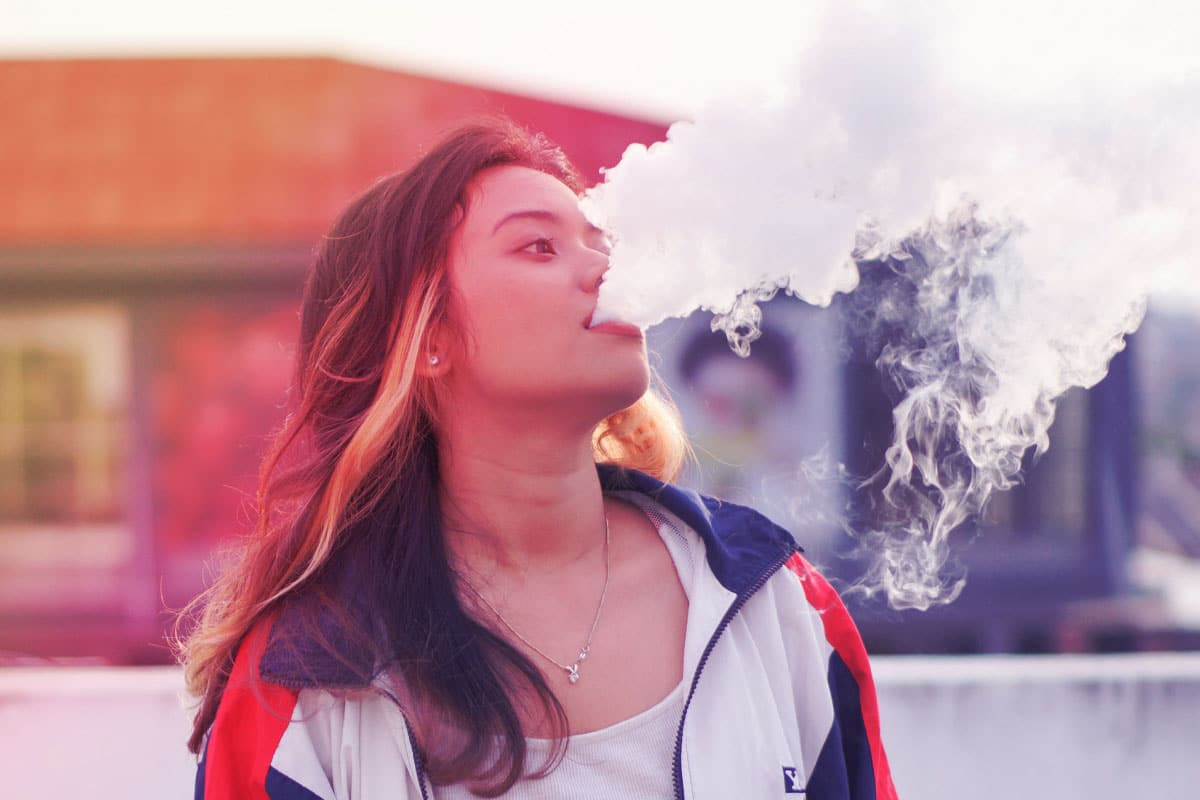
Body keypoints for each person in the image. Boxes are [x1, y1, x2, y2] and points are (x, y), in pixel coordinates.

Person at [178, 118, 898, 799]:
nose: (604, 271)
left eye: (598, 243)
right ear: (428, 338)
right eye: (538, 247)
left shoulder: (773, 600)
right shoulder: (307, 673)